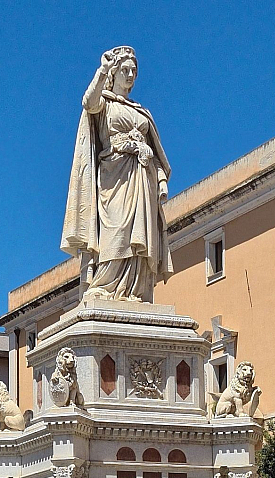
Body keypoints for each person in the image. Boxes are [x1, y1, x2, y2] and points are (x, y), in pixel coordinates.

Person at [61, 46, 173, 303]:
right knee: (116, 230)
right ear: (115, 72)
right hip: (114, 176)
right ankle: (105, 285)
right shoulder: (105, 104)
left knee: (139, 234)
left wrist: (162, 180)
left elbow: (155, 152)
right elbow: (88, 102)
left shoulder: (142, 111)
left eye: (134, 70)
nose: (131, 74)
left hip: (142, 178)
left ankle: (133, 290)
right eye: (125, 70)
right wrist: (101, 70)